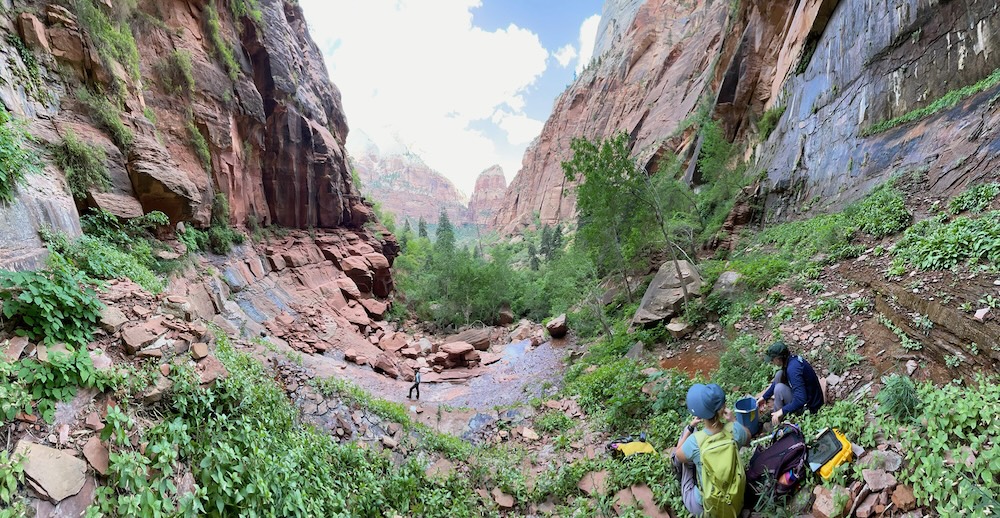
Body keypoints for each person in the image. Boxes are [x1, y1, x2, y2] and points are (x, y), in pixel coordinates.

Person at [674, 383, 749, 517]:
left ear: (701, 414)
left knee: (686, 463)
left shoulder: (695, 441)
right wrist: (733, 420)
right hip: (734, 503)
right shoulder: (733, 430)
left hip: (708, 508)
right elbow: (747, 435)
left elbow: (677, 455)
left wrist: (689, 428)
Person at [757, 341, 824, 426]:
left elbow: (801, 399)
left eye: (772, 359)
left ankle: (776, 422)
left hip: (810, 408)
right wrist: (764, 397)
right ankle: (775, 413)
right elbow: (780, 379)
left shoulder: (793, 370)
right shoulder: (791, 360)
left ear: (778, 359)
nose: (771, 362)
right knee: (779, 374)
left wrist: (781, 411)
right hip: (808, 396)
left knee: (779, 389)